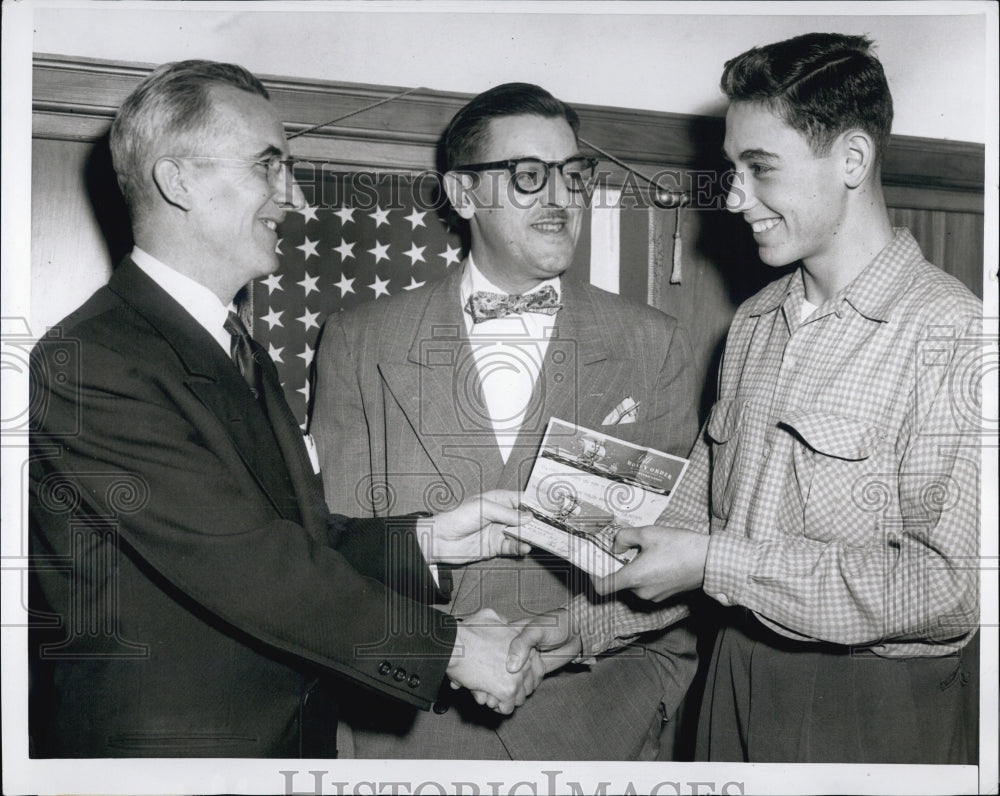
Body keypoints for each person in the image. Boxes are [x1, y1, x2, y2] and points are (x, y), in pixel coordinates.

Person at [27, 60, 547, 759]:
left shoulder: (230, 344)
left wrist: (427, 541)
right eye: (268, 166)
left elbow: (294, 537)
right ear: (177, 181)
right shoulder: (92, 361)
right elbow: (248, 564)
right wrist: (452, 651)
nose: (294, 197)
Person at [510, 33, 982, 764]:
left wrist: (713, 565)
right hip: (729, 676)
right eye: (732, 170)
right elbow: (697, 523)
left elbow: (948, 587)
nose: (734, 198)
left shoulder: (952, 333)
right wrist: (584, 627)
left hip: (873, 712)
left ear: (852, 160)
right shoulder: (755, 325)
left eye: (759, 169)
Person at [311, 82, 700, 760]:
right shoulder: (358, 340)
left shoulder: (654, 342)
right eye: (528, 176)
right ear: (463, 195)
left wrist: (570, 637)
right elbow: (334, 554)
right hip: (412, 729)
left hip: (598, 725)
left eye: (573, 175)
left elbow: (683, 553)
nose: (560, 199)